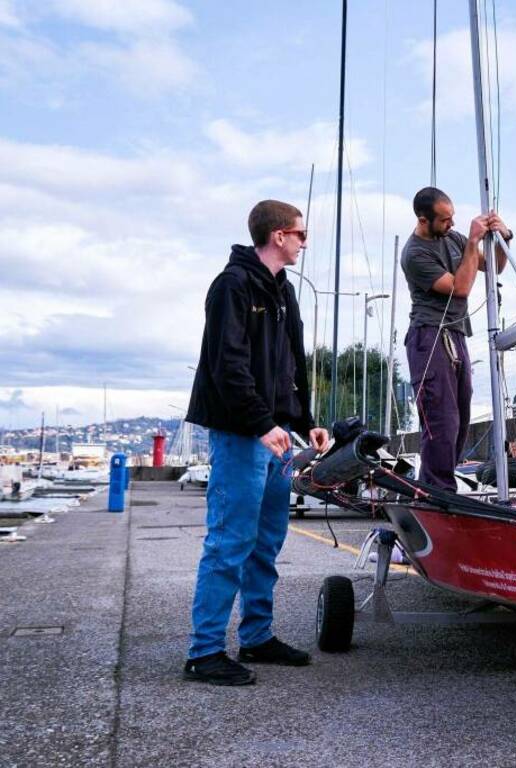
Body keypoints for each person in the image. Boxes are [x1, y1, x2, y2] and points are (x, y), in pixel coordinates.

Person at [184, 199, 330, 685]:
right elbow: (228, 363)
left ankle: (256, 636)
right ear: (278, 236)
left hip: (278, 435)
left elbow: (293, 364)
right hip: (243, 435)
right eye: (301, 235)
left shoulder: (284, 291)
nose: (304, 242)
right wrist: (260, 423)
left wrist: (304, 420)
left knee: (266, 542)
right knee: (229, 542)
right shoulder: (232, 285)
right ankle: (203, 653)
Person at [401, 186, 509, 491]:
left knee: (460, 418)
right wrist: (474, 240)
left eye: (453, 218)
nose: (452, 225)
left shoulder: (452, 238)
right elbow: (460, 288)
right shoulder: (414, 253)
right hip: (429, 336)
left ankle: (441, 485)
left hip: (457, 333)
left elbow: (494, 267)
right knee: (441, 420)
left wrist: (503, 238)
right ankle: (437, 490)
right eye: (445, 220)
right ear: (424, 220)